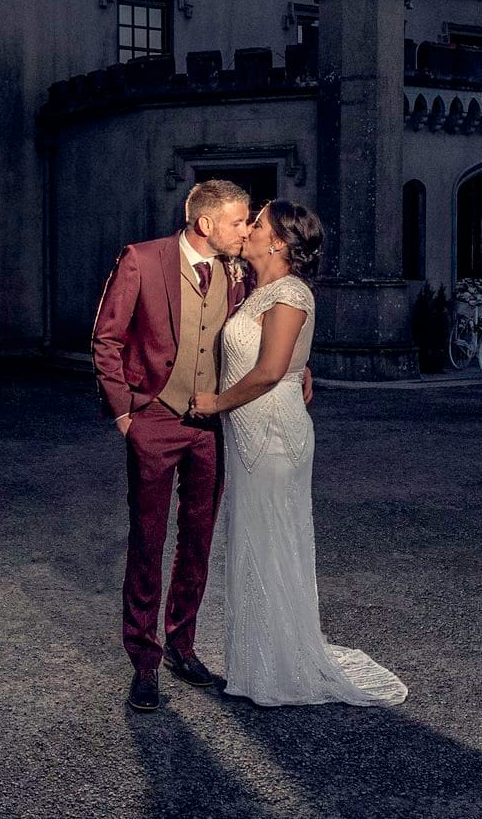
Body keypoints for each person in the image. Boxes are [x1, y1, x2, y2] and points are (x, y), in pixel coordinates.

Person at [190, 199, 407, 707]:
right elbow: (274, 358)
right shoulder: (257, 289)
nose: (247, 231)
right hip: (249, 432)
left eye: (257, 224)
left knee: (272, 541)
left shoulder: (290, 293)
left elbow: (269, 371)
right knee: (253, 542)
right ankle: (259, 659)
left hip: (273, 435)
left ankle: (279, 668)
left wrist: (215, 403)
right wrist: (296, 367)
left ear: (280, 243)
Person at [89, 177, 253, 712]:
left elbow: (258, 330)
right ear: (206, 224)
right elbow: (106, 339)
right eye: (237, 222)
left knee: (199, 539)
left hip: (212, 423)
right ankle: (144, 660)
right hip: (153, 418)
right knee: (148, 540)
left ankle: (182, 646)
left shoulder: (236, 272)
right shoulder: (142, 259)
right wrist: (125, 415)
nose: (245, 230)